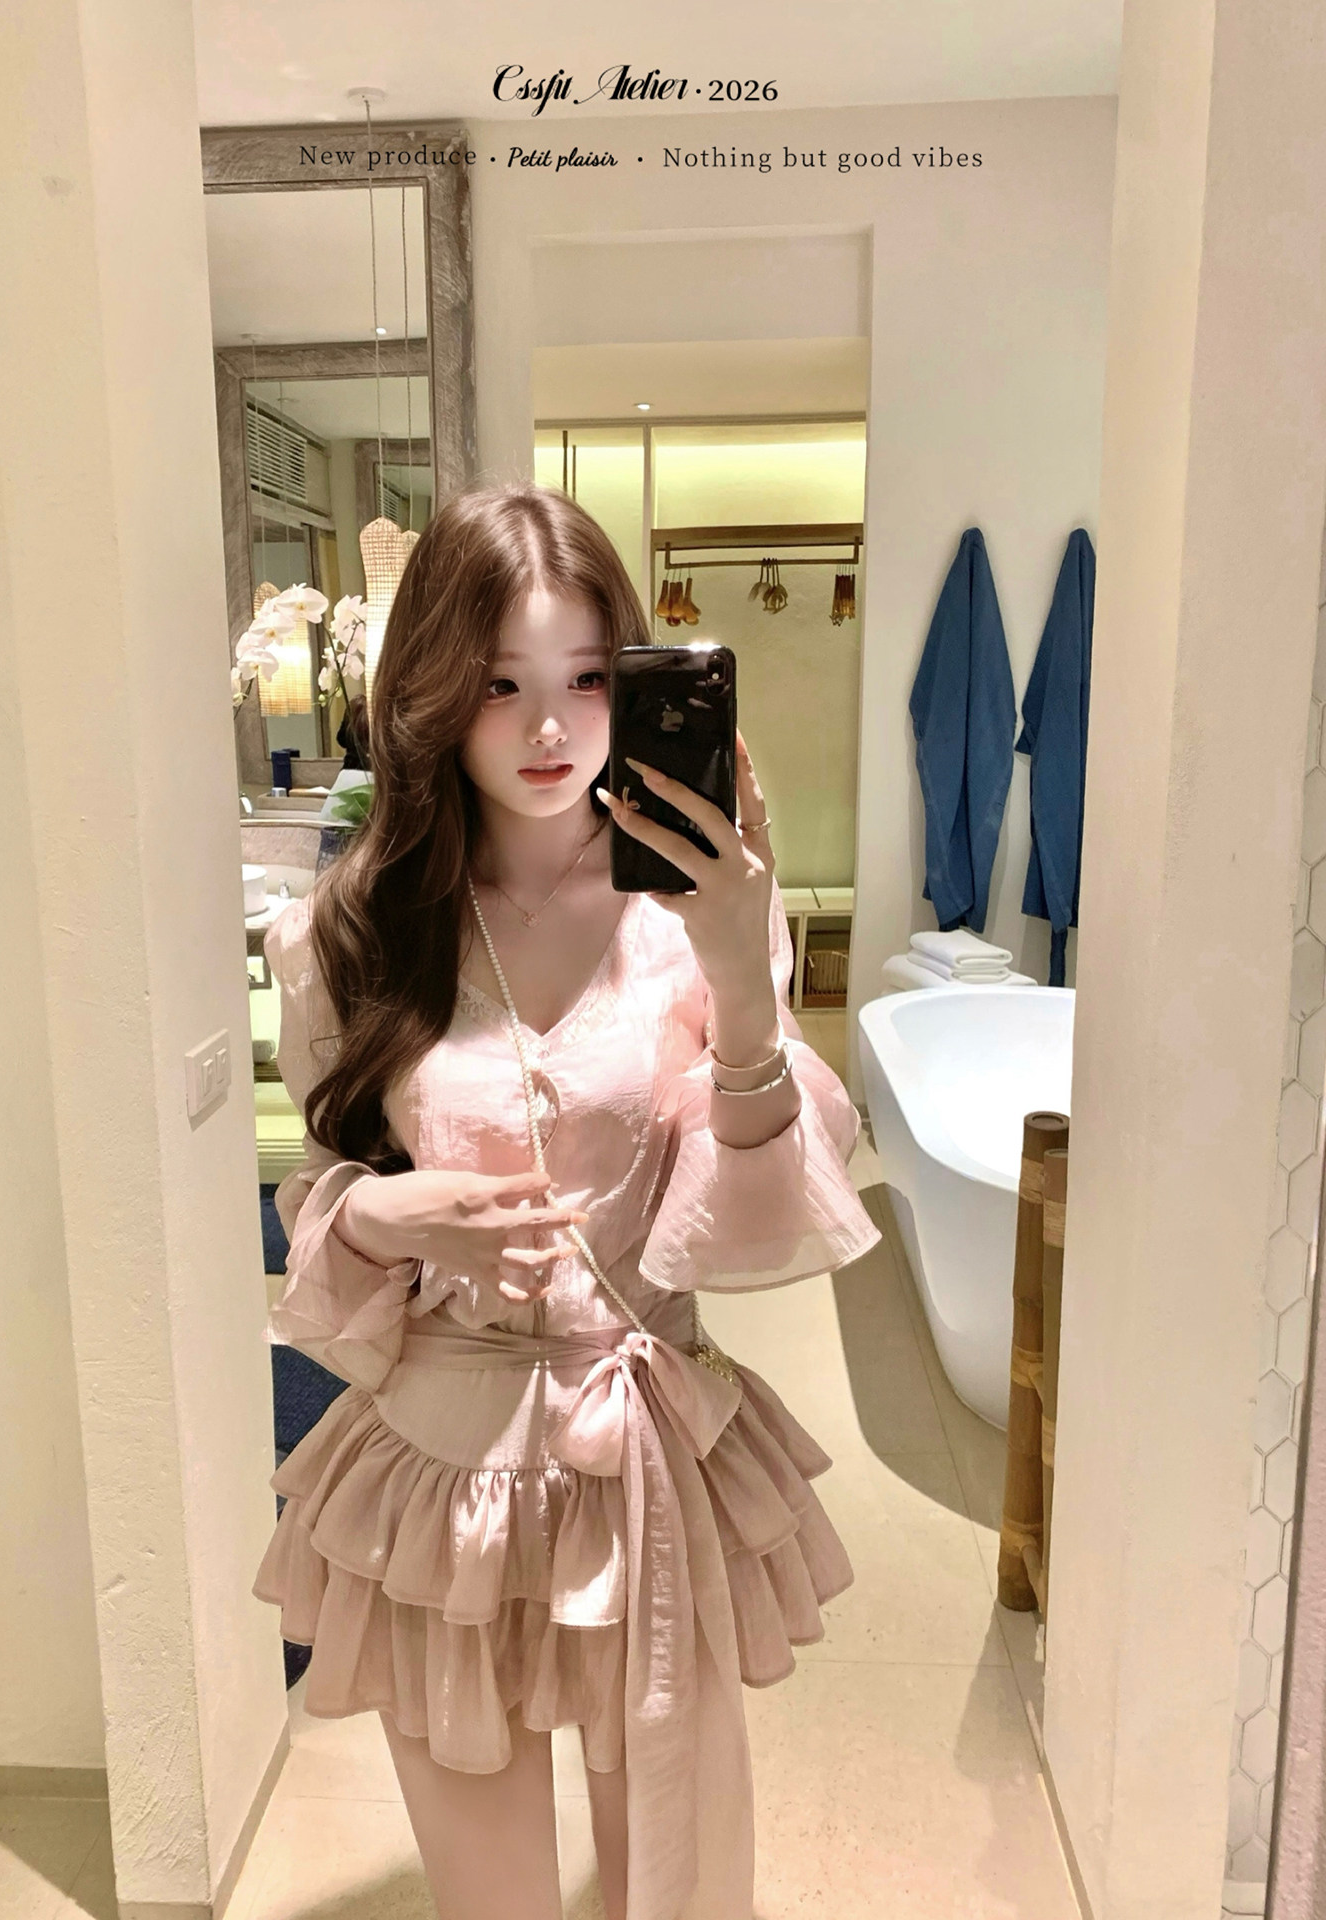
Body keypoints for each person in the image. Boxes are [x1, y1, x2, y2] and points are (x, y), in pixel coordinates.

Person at [253, 481, 881, 1920]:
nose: (549, 728)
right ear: (431, 691)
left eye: (589, 679)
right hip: (439, 1464)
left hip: (636, 1452)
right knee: (493, 1900)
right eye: (499, 684)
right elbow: (328, 1182)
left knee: (664, 1873)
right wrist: (381, 1218)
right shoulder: (351, 929)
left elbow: (757, 1223)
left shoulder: (688, 920)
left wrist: (739, 973)